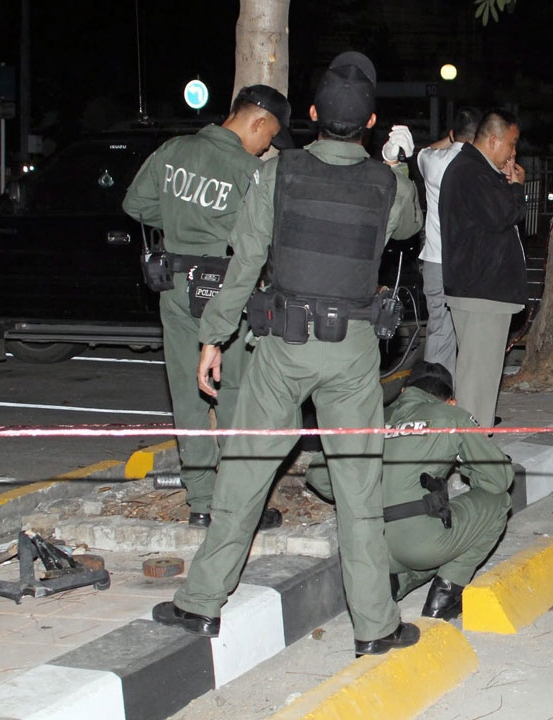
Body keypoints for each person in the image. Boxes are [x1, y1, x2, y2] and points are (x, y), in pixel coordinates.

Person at [152, 51, 425, 658]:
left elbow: (245, 263)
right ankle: (375, 626)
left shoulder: (279, 173)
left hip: (281, 347)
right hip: (352, 352)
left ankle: (201, 603)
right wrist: (398, 165)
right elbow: (408, 228)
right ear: (371, 122)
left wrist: (213, 337)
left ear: (312, 114)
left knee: (245, 473)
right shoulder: (385, 184)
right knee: (359, 490)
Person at [122, 85, 290, 531]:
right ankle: (236, 504)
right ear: (257, 122)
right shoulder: (249, 170)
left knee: (186, 393)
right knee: (234, 392)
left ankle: (200, 500)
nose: (267, 146)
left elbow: (135, 203)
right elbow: (265, 234)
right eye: (269, 135)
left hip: (176, 283)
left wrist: (182, 224)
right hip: (228, 288)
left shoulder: (173, 150)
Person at [305, 362, 513, 620]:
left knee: (430, 528)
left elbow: (318, 475)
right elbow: (498, 480)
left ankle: (394, 584)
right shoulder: (451, 417)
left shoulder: (369, 418)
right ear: (451, 401)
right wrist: (467, 464)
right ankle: (445, 596)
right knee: (499, 502)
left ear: (404, 391)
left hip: (369, 545)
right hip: (420, 545)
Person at [440, 109, 526, 430]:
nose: (514, 153)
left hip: (480, 288)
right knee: (478, 378)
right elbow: (502, 216)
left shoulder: (475, 170)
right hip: (482, 289)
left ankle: (476, 442)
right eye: (511, 144)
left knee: (482, 375)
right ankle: (472, 447)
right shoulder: (472, 172)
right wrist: (516, 188)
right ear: (493, 140)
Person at [416, 107, 483, 374]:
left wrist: (452, 137)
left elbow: (424, 151)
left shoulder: (433, 161)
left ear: (454, 134)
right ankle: (470, 394)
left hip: (436, 260)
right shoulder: (483, 167)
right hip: (471, 263)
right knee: (474, 335)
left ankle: (437, 391)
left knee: (439, 332)